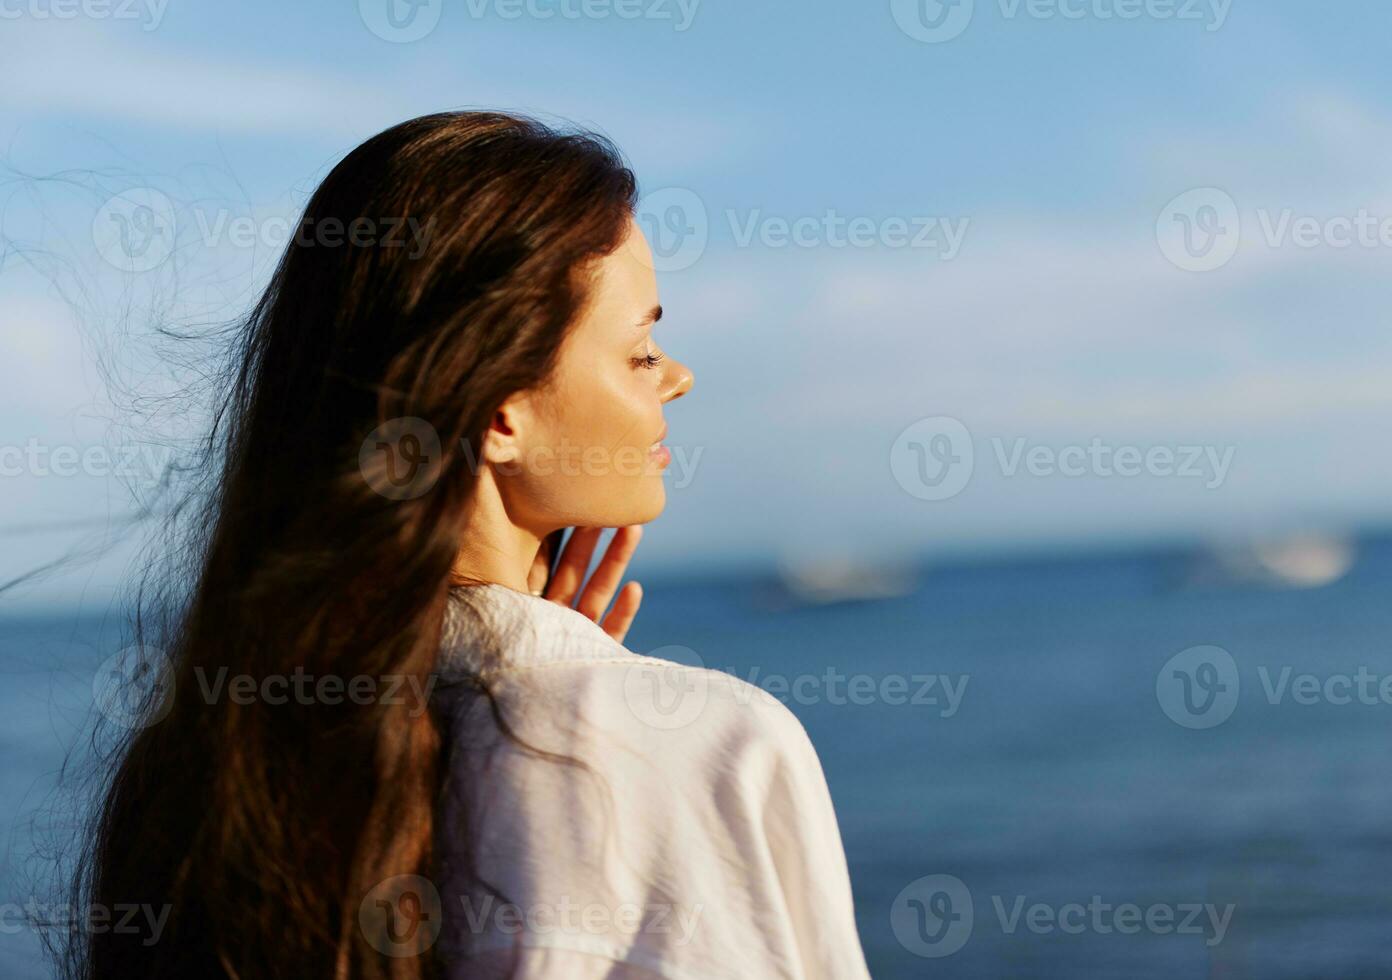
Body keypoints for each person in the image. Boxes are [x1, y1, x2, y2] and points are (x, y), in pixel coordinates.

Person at [73, 111, 871, 979]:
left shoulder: (199, 769)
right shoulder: (719, 750)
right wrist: (579, 701)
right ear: (499, 413)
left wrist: (540, 677)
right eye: (639, 351)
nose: (678, 377)